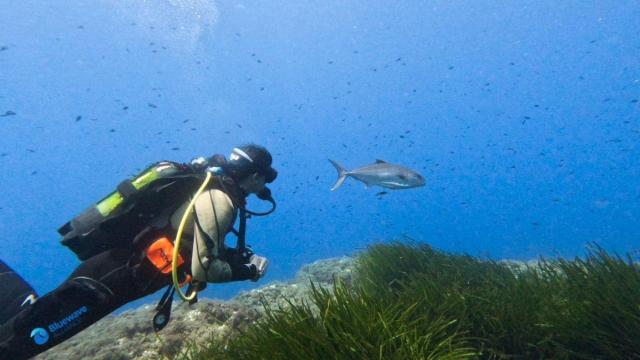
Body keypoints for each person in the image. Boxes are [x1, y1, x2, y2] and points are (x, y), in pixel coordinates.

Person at [0, 144, 277, 359]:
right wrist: (247, 271)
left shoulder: (208, 189)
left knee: (27, 315)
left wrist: (235, 258)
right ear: (254, 176)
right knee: (18, 344)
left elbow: (188, 241)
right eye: (264, 180)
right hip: (105, 285)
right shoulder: (220, 200)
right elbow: (202, 268)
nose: (263, 189)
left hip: (110, 272)